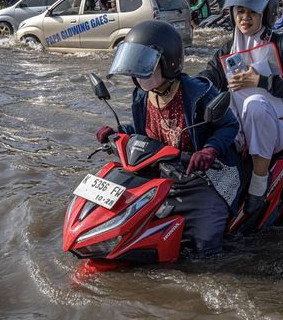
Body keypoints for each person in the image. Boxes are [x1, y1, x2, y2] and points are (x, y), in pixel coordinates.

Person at [96, 20, 239, 256]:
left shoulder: (199, 92)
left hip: (207, 175)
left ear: (169, 63)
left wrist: (209, 150)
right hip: (164, 170)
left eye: (146, 64)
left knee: (205, 245)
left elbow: (228, 125)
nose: (138, 72)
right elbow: (147, 130)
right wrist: (118, 132)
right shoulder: (142, 95)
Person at [197, 0, 283, 214]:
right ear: (232, 14)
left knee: (255, 103)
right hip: (238, 126)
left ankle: (258, 186)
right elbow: (207, 78)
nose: (244, 18)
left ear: (265, 15)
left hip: (277, 126)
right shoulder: (226, 50)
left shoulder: (282, 43)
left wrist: (260, 81)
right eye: (240, 12)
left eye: (252, 12)